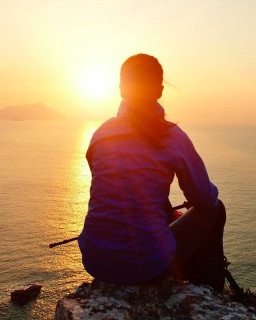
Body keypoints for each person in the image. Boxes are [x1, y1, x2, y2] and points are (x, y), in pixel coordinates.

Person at [78, 53, 226, 292]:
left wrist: (163, 210)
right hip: (147, 266)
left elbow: (118, 189)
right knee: (216, 209)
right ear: (159, 90)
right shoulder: (173, 137)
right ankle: (208, 289)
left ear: (121, 89)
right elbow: (204, 198)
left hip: (95, 260)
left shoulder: (100, 135)